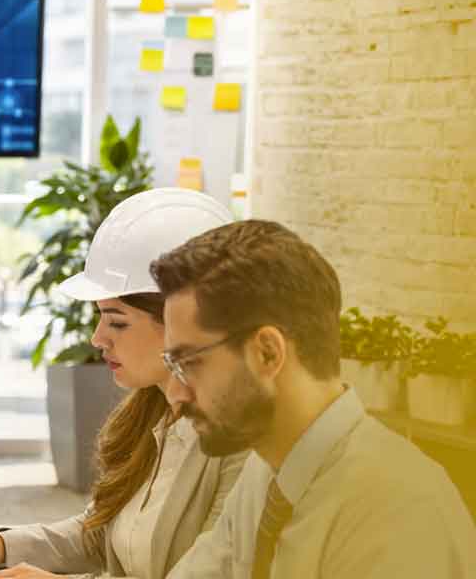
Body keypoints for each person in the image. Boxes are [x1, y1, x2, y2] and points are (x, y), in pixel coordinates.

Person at [0, 188, 247, 579]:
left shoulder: (241, 449)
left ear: (183, 322)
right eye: (100, 318)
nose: (97, 338)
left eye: (117, 322)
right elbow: (101, 533)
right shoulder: (153, 415)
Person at [151, 220, 476, 578]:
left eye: (189, 363)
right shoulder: (265, 473)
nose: (175, 393)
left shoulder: (403, 511)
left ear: (267, 353)